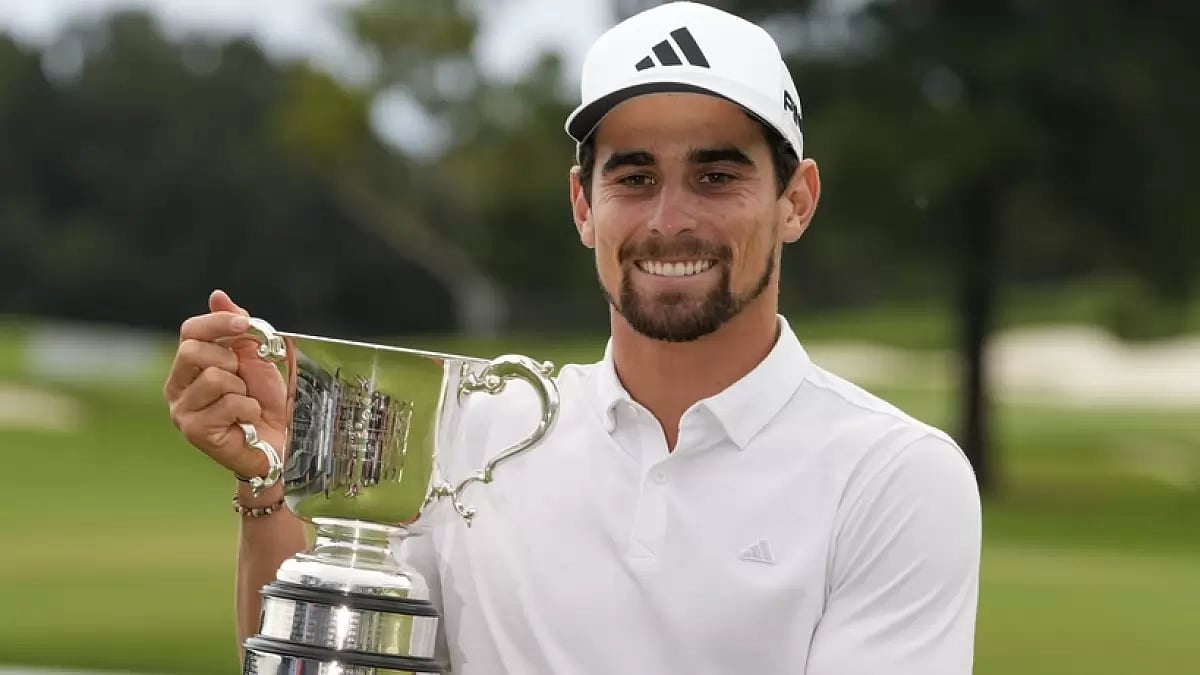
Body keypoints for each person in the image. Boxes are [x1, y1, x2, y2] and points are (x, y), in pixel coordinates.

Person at [164, 2, 981, 674]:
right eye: (633, 177)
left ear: (796, 199)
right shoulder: (466, 427)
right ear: (584, 204)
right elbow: (322, 656)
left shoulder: (893, 475)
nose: (670, 219)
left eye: (718, 174)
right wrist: (278, 487)